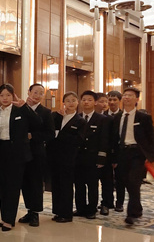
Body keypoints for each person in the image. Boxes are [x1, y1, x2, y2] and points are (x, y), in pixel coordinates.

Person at [0, 84, 40, 231]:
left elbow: (38, 123)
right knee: (2, 186)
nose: (5, 98)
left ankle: (9, 220)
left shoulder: (20, 110)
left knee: (13, 186)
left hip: (17, 152)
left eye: (8, 95)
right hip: (1, 150)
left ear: (13, 96)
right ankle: (4, 218)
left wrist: (25, 107)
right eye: (2, 95)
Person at [110, 87, 154, 225]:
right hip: (122, 152)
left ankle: (132, 213)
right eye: (125, 95)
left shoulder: (143, 117)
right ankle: (138, 208)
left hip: (137, 153)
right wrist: (113, 157)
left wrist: (151, 155)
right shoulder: (117, 117)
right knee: (125, 182)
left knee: (133, 181)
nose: (127, 97)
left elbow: (151, 137)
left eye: (130, 95)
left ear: (136, 99)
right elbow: (114, 138)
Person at [19, 83, 54, 227]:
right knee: (25, 183)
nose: (37, 95)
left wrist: (33, 136)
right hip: (22, 152)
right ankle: (29, 210)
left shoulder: (45, 112)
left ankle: (35, 213)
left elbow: (50, 134)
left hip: (37, 152)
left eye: (41, 93)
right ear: (29, 92)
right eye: (35, 92)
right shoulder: (20, 109)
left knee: (35, 183)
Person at [48, 92, 85, 223]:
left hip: (69, 157)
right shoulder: (57, 116)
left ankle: (66, 214)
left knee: (66, 185)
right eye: (68, 100)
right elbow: (50, 131)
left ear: (77, 102)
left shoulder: (80, 120)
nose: (71, 103)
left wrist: (60, 135)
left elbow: (79, 139)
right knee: (56, 185)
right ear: (63, 102)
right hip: (54, 156)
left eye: (73, 100)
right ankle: (58, 211)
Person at [74, 91, 109, 219]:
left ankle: (91, 209)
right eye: (84, 99)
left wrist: (101, 158)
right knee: (79, 184)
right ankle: (80, 208)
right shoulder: (77, 117)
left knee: (92, 184)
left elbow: (104, 140)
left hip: (93, 157)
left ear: (95, 102)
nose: (86, 102)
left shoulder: (102, 119)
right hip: (78, 157)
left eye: (89, 100)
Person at [105, 90, 125, 211]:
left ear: (119, 101)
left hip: (120, 152)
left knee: (120, 179)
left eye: (115, 100)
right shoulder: (103, 115)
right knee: (107, 179)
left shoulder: (123, 116)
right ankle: (108, 202)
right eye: (110, 100)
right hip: (106, 151)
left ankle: (120, 202)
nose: (112, 102)